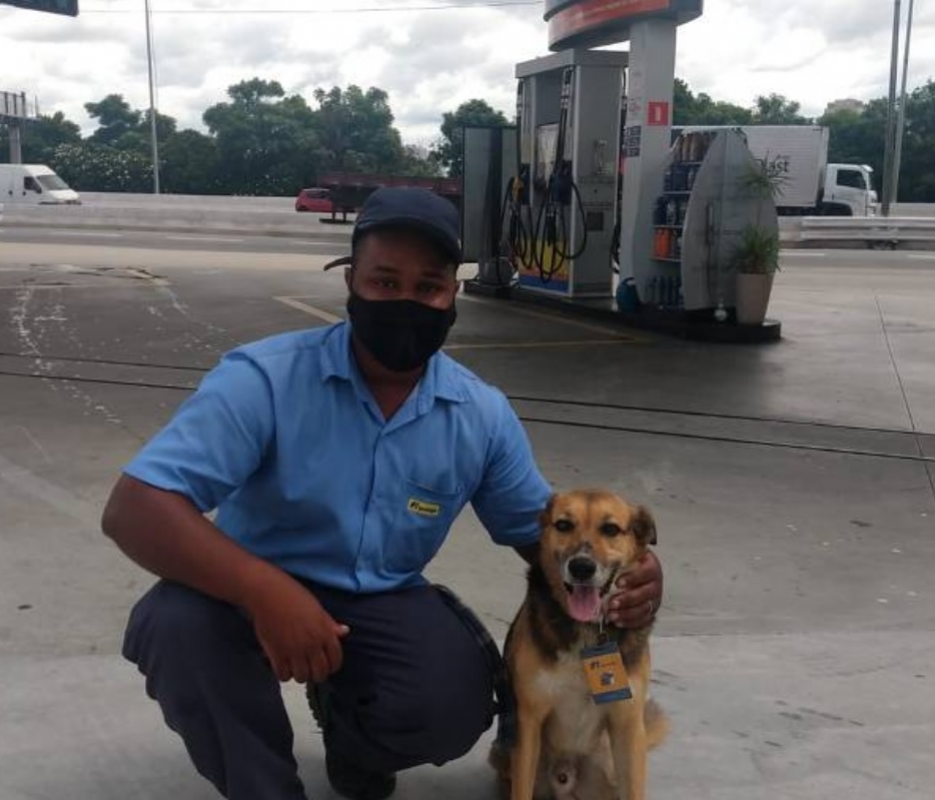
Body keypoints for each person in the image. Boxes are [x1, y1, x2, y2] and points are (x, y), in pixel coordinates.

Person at [101, 186, 665, 800]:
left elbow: (542, 537)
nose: (406, 302)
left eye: (428, 287)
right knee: (176, 626)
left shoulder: (478, 414)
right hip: (246, 582)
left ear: (452, 294)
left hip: (379, 601)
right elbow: (136, 507)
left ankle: (354, 740)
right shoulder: (264, 380)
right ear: (351, 283)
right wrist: (266, 593)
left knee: (450, 701)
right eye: (384, 282)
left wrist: (633, 572)